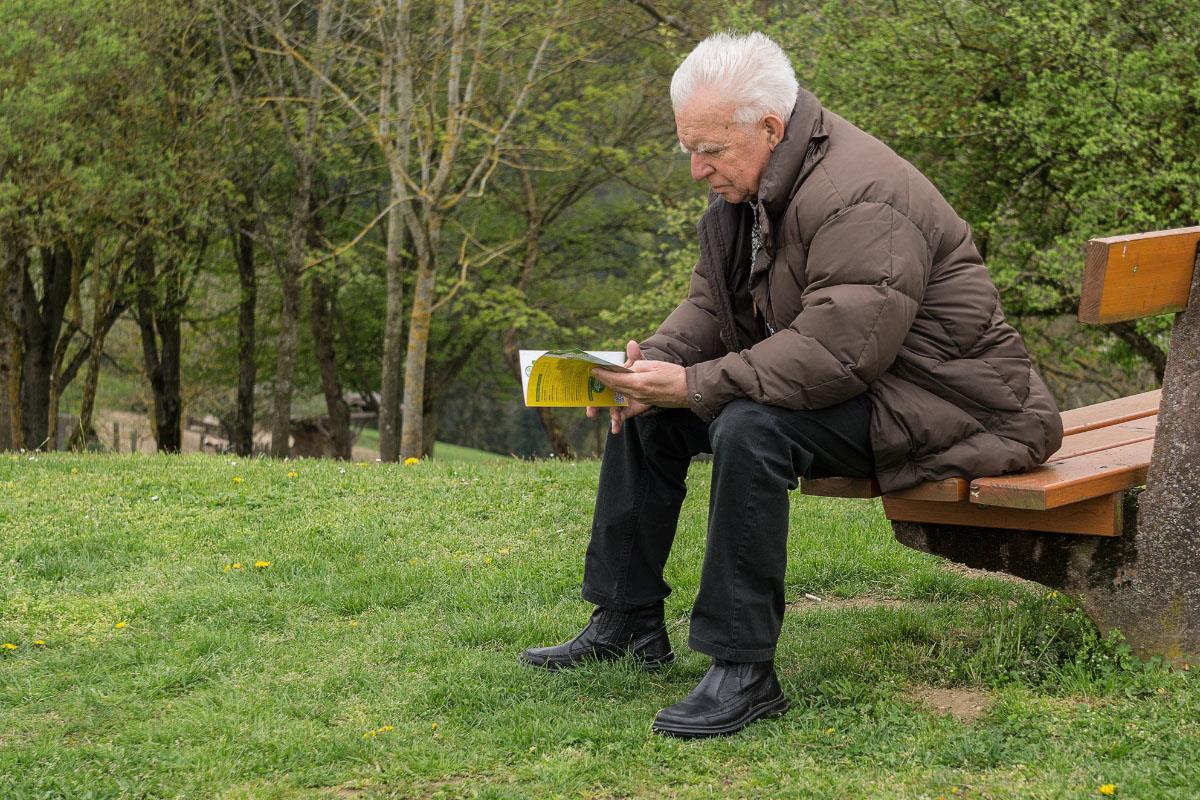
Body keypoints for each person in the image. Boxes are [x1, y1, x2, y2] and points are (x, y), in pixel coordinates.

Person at [519, 31, 1062, 738]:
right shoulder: (754, 188)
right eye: (689, 148)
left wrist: (695, 383)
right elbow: (712, 308)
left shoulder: (859, 195)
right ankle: (625, 619)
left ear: (770, 128)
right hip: (875, 388)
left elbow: (839, 355)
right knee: (652, 409)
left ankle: (743, 670)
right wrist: (652, 362)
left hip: (956, 407)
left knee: (749, 426)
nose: (695, 170)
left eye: (710, 150)